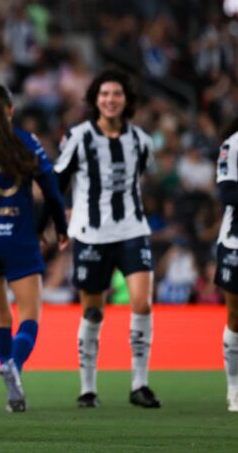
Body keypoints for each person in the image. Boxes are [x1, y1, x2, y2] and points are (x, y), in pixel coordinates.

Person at [53, 69, 160, 409]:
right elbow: (58, 182)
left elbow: (141, 179)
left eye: (116, 94)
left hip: (133, 230)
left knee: (142, 303)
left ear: (126, 100)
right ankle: (88, 389)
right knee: (93, 311)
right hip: (91, 234)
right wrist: (60, 223)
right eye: (104, 94)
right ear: (95, 100)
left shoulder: (141, 141)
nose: (110, 100)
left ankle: (140, 384)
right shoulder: (79, 137)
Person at [0, 84, 68, 412]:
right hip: (19, 236)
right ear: (11, 109)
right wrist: (57, 228)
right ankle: (14, 366)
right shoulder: (26, 141)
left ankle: (9, 374)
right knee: (29, 314)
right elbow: (52, 192)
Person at [213, 115, 238, 412]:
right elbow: (227, 192)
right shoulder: (232, 146)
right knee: (235, 317)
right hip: (235, 242)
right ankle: (234, 387)